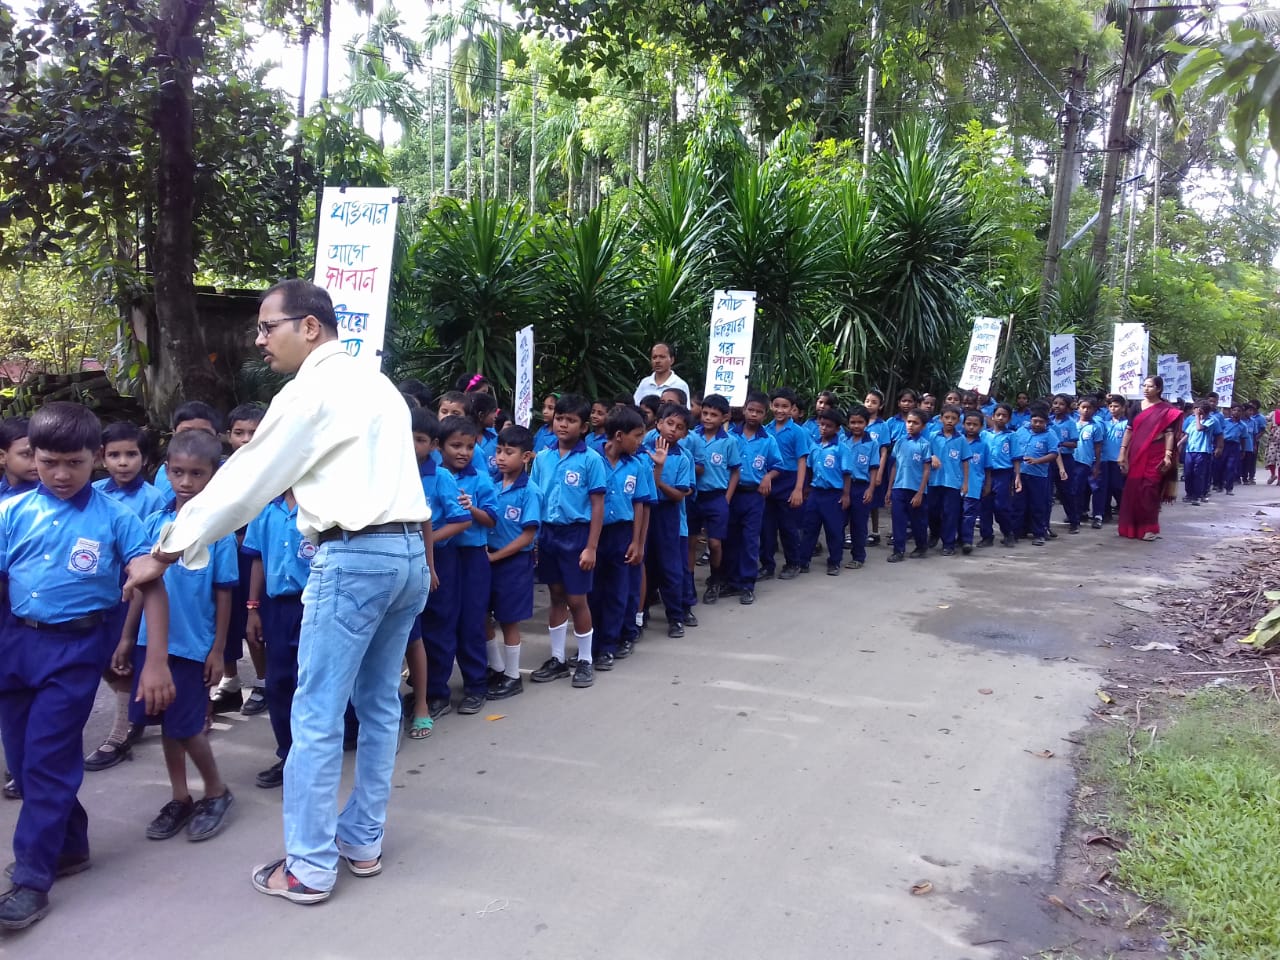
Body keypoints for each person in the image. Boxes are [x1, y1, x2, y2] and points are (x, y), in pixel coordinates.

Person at [124, 278, 429, 905]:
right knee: (378, 705)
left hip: (353, 558)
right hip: (406, 557)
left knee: (315, 714)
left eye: (268, 327)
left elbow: (246, 477)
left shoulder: (311, 390)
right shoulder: (377, 383)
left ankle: (309, 869)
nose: (260, 340)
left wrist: (167, 550)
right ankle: (362, 841)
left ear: (309, 327)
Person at [0, 402, 173, 929]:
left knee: (47, 761)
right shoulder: (12, 513)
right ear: (31, 456)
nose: (59, 474)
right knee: (24, 762)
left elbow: (150, 583)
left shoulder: (115, 518)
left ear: (94, 458)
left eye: (73, 463)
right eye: (47, 462)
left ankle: (32, 879)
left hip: (76, 650)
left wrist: (155, 662)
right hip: (15, 644)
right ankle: (70, 846)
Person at [115, 430, 237, 842]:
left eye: (197, 474)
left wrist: (218, 650)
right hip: (151, 645)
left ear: (213, 475)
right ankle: (180, 796)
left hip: (192, 645)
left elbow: (224, 593)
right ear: (166, 471)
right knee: (166, 722)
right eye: (179, 472)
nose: (186, 482)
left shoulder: (218, 531)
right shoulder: (154, 523)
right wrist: (127, 637)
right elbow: (142, 585)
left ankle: (216, 791)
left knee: (186, 726)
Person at [83, 421, 168, 773]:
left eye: (131, 454)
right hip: (97, 584)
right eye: (114, 455)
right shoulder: (93, 492)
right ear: (101, 458)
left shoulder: (153, 499)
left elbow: (153, 555)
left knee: (124, 656)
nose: (122, 462)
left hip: (135, 586)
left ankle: (121, 731)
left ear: (144, 459)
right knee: (101, 655)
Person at [528, 394, 605, 687]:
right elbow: (535, 497)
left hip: (577, 535)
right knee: (556, 595)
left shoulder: (591, 459)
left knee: (577, 599)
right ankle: (557, 659)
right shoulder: (543, 457)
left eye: (571, 420)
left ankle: (585, 659)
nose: (563, 424)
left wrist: (591, 547)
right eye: (559, 418)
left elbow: (597, 505)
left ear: (583, 427)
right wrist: (535, 539)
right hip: (549, 534)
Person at [242, 484, 314, 786]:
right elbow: (257, 558)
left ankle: (311, 758)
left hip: (313, 604)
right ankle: (288, 754)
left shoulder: (320, 502)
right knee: (278, 683)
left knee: (308, 683)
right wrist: (253, 608)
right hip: (276, 607)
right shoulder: (265, 508)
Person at [411, 410, 470, 724]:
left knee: (438, 625)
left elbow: (461, 520)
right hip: (406, 559)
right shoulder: (396, 471)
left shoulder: (441, 476)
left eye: (420, 440)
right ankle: (419, 689)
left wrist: (428, 541)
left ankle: (437, 692)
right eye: (407, 438)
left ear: (434, 445)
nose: (412, 445)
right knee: (412, 628)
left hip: (440, 560)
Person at [211, 404, 268, 717]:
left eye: (254, 433)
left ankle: (265, 681)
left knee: (256, 619)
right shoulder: (221, 471)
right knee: (230, 618)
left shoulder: (276, 469)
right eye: (239, 433)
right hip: (227, 555)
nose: (246, 439)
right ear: (227, 436)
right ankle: (233, 681)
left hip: (261, 558)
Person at [438, 416, 498, 714]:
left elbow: (491, 519)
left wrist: (470, 508)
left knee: (472, 620)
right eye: (456, 446)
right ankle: (436, 691)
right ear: (440, 446)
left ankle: (476, 686)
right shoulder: (434, 476)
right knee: (440, 621)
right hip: (442, 554)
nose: (463, 452)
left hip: (473, 556)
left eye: (469, 446)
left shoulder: (481, 479)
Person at [589, 408, 649, 669]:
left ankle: (608, 646)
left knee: (617, 591)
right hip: (594, 533)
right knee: (592, 591)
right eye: (637, 435)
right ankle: (589, 645)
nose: (640, 441)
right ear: (619, 435)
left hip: (622, 533)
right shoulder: (592, 459)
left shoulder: (636, 465)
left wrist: (637, 542)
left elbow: (640, 504)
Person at [485, 425, 541, 698]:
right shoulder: (492, 484)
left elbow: (528, 536)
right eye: (498, 451)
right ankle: (496, 667)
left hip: (513, 562)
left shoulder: (530, 491)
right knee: (482, 615)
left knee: (508, 619)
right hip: (488, 557)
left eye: (509, 452)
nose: (501, 457)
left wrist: (495, 556)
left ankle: (512, 675)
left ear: (526, 456)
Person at [723, 392, 781, 605]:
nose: (754, 415)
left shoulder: (768, 440)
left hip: (754, 496)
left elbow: (777, 465)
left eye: (759, 412)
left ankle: (747, 584)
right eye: (750, 410)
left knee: (750, 540)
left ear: (765, 414)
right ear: (744, 409)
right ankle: (731, 581)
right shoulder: (730, 436)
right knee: (730, 538)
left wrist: (768, 476)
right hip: (732, 493)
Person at [643, 403, 695, 636]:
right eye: (669, 423)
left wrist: (658, 480)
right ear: (658, 424)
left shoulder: (683, 458)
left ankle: (676, 616)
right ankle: (640, 614)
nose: (673, 430)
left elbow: (679, 495)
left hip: (668, 514)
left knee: (671, 568)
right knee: (644, 566)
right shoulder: (642, 451)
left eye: (680, 427)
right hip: (645, 512)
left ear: (685, 433)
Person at [1117, 376, 1182, 541]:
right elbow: (1129, 430)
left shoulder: (1167, 410)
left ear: (1158, 389)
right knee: (1133, 490)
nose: (1146, 389)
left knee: (1149, 490)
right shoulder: (1136, 406)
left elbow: (1169, 434)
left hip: (1156, 453)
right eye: (1144, 385)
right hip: (1136, 452)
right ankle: (1131, 528)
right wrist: (1122, 452)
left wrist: (1168, 455)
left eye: (1150, 386)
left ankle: (1149, 528)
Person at [689, 394, 740, 603]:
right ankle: (688, 583)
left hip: (717, 496)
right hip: (693, 496)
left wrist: (727, 497)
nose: (708, 418)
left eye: (713, 414)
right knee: (691, 542)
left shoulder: (729, 441)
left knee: (715, 543)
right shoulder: (692, 436)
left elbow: (735, 471)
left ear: (724, 417)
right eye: (705, 413)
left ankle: (716, 578)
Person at [760, 387, 811, 580]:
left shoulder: (798, 432)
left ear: (792, 409)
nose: (780, 410)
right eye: (777, 405)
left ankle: (793, 563)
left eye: (785, 406)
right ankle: (767, 565)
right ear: (771, 406)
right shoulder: (766, 430)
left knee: (788, 527)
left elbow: (802, 461)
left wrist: (798, 489)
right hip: (770, 479)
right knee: (766, 527)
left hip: (789, 480)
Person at [798, 407, 851, 574]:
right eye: (821, 424)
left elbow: (847, 474)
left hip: (833, 494)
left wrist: (846, 494)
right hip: (815, 492)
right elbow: (809, 469)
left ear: (837, 429)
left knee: (833, 529)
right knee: (809, 528)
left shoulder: (841, 449)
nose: (824, 428)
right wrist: (807, 488)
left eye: (828, 426)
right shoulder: (814, 446)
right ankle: (803, 561)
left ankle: (834, 561)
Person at [884, 409, 931, 562]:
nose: (911, 425)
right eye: (909, 422)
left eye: (915, 423)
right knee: (898, 520)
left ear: (923, 426)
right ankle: (898, 550)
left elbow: (926, 469)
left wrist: (920, 492)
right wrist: (889, 489)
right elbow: (894, 466)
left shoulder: (924, 445)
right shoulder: (900, 442)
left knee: (918, 521)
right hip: (899, 487)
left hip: (916, 489)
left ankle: (921, 546)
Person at [1013, 403, 1060, 546]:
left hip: (1038, 476)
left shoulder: (1049, 435)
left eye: (1041, 422)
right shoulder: (1021, 431)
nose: (1038, 424)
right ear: (1030, 420)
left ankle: (1039, 533)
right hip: (1021, 474)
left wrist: (1037, 461)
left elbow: (1054, 453)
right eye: (1035, 421)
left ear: (1046, 422)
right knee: (1018, 504)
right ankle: (1017, 532)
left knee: (1037, 505)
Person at [841, 405, 878, 569]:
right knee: (838, 521)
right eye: (853, 422)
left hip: (861, 487)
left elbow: (874, 468)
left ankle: (858, 556)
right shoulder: (843, 440)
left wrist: (871, 489)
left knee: (859, 524)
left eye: (860, 422)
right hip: (842, 486)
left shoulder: (872, 443)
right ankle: (836, 554)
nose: (856, 426)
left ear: (866, 423)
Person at [927, 405, 965, 555]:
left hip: (953, 482)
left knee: (950, 513)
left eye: (953, 418)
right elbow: (924, 452)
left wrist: (965, 483)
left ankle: (948, 543)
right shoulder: (932, 436)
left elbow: (965, 462)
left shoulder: (961, 439)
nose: (950, 421)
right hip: (933, 480)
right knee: (932, 511)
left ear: (958, 421)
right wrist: (931, 456)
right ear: (940, 419)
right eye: (947, 417)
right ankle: (934, 533)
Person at [983, 403, 1016, 547]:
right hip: (985, 473)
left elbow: (1016, 458)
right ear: (993, 416)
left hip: (1003, 473)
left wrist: (1017, 477)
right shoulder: (984, 435)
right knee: (985, 506)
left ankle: (1008, 532)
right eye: (998, 415)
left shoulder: (1011, 436)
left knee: (1001, 506)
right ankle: (986, 536)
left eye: (1004, 416)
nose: (1001, 418)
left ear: (1009, 419)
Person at [959, 409, 990, 554]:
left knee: (969, 515)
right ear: (963, 424)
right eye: (968, 424)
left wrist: (987, 484)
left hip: (974, 485)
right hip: (956, 484)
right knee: (955, 513)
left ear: (981, 427)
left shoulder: (983, 446)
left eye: (975, 425)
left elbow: (987, 467)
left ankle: (967, 541)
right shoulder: (957, 441)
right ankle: (955, 539)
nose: (971, 427)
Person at [1074, 398, 1104, 529]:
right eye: (1083, 407)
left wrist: (1097, 465)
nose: (1086, 410)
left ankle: (1097, 516)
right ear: (1078, 408)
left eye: (1089, 408)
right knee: (1078, 489)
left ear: (1094, 410)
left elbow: (1098, 447)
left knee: (1096, 488)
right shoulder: (1072, 424)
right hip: (1075, 462)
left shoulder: (1095, 427)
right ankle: (1078, 513)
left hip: (1090, 462)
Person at [1182, 402, 1216, 505]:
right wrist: (1178, 444)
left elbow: (1199, 428)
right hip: (1190, 450)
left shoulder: (1210, 421)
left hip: (1202, 451)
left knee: (1198, 474)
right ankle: (1189, 493)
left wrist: (1197, 417)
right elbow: (1187, 434)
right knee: (1188, 473)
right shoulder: (1193, 421)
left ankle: (1197, 495)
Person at [0, 418, 38, 502]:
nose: (36, 462)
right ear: (2, 457)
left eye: (39, 454)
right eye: (26, 454)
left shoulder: (53, 495)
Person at [1221, 405, 1245, 495]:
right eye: (1234, 410)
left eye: (1239, 411)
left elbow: (1243, 438)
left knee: (1231, 467)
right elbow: (1219, 433)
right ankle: (1219, 484)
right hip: (1224, 444)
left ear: (1241, 413)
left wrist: (1243, 450)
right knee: (1221, 465)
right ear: (1231, 411)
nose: (1236, 412)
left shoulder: (1243, 425)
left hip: (1235, 446)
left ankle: (1229, 488)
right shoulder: (1225, 422)